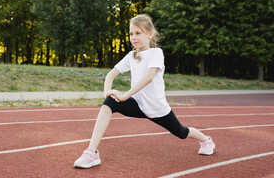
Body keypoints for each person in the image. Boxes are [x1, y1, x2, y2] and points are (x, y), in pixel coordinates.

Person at [73, 14, 215, 169]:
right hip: (138, 105)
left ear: (150, 34)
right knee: (109, 103)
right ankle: (91, 152)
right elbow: (111, 74)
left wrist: (125, 95)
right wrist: (107, 92)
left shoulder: (156, 53)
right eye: (131, 34)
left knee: (181, 132)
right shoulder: (131, 55)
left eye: (138, 33)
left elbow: (149, 77)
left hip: (157, 109)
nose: (133, 37)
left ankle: (206, 140)